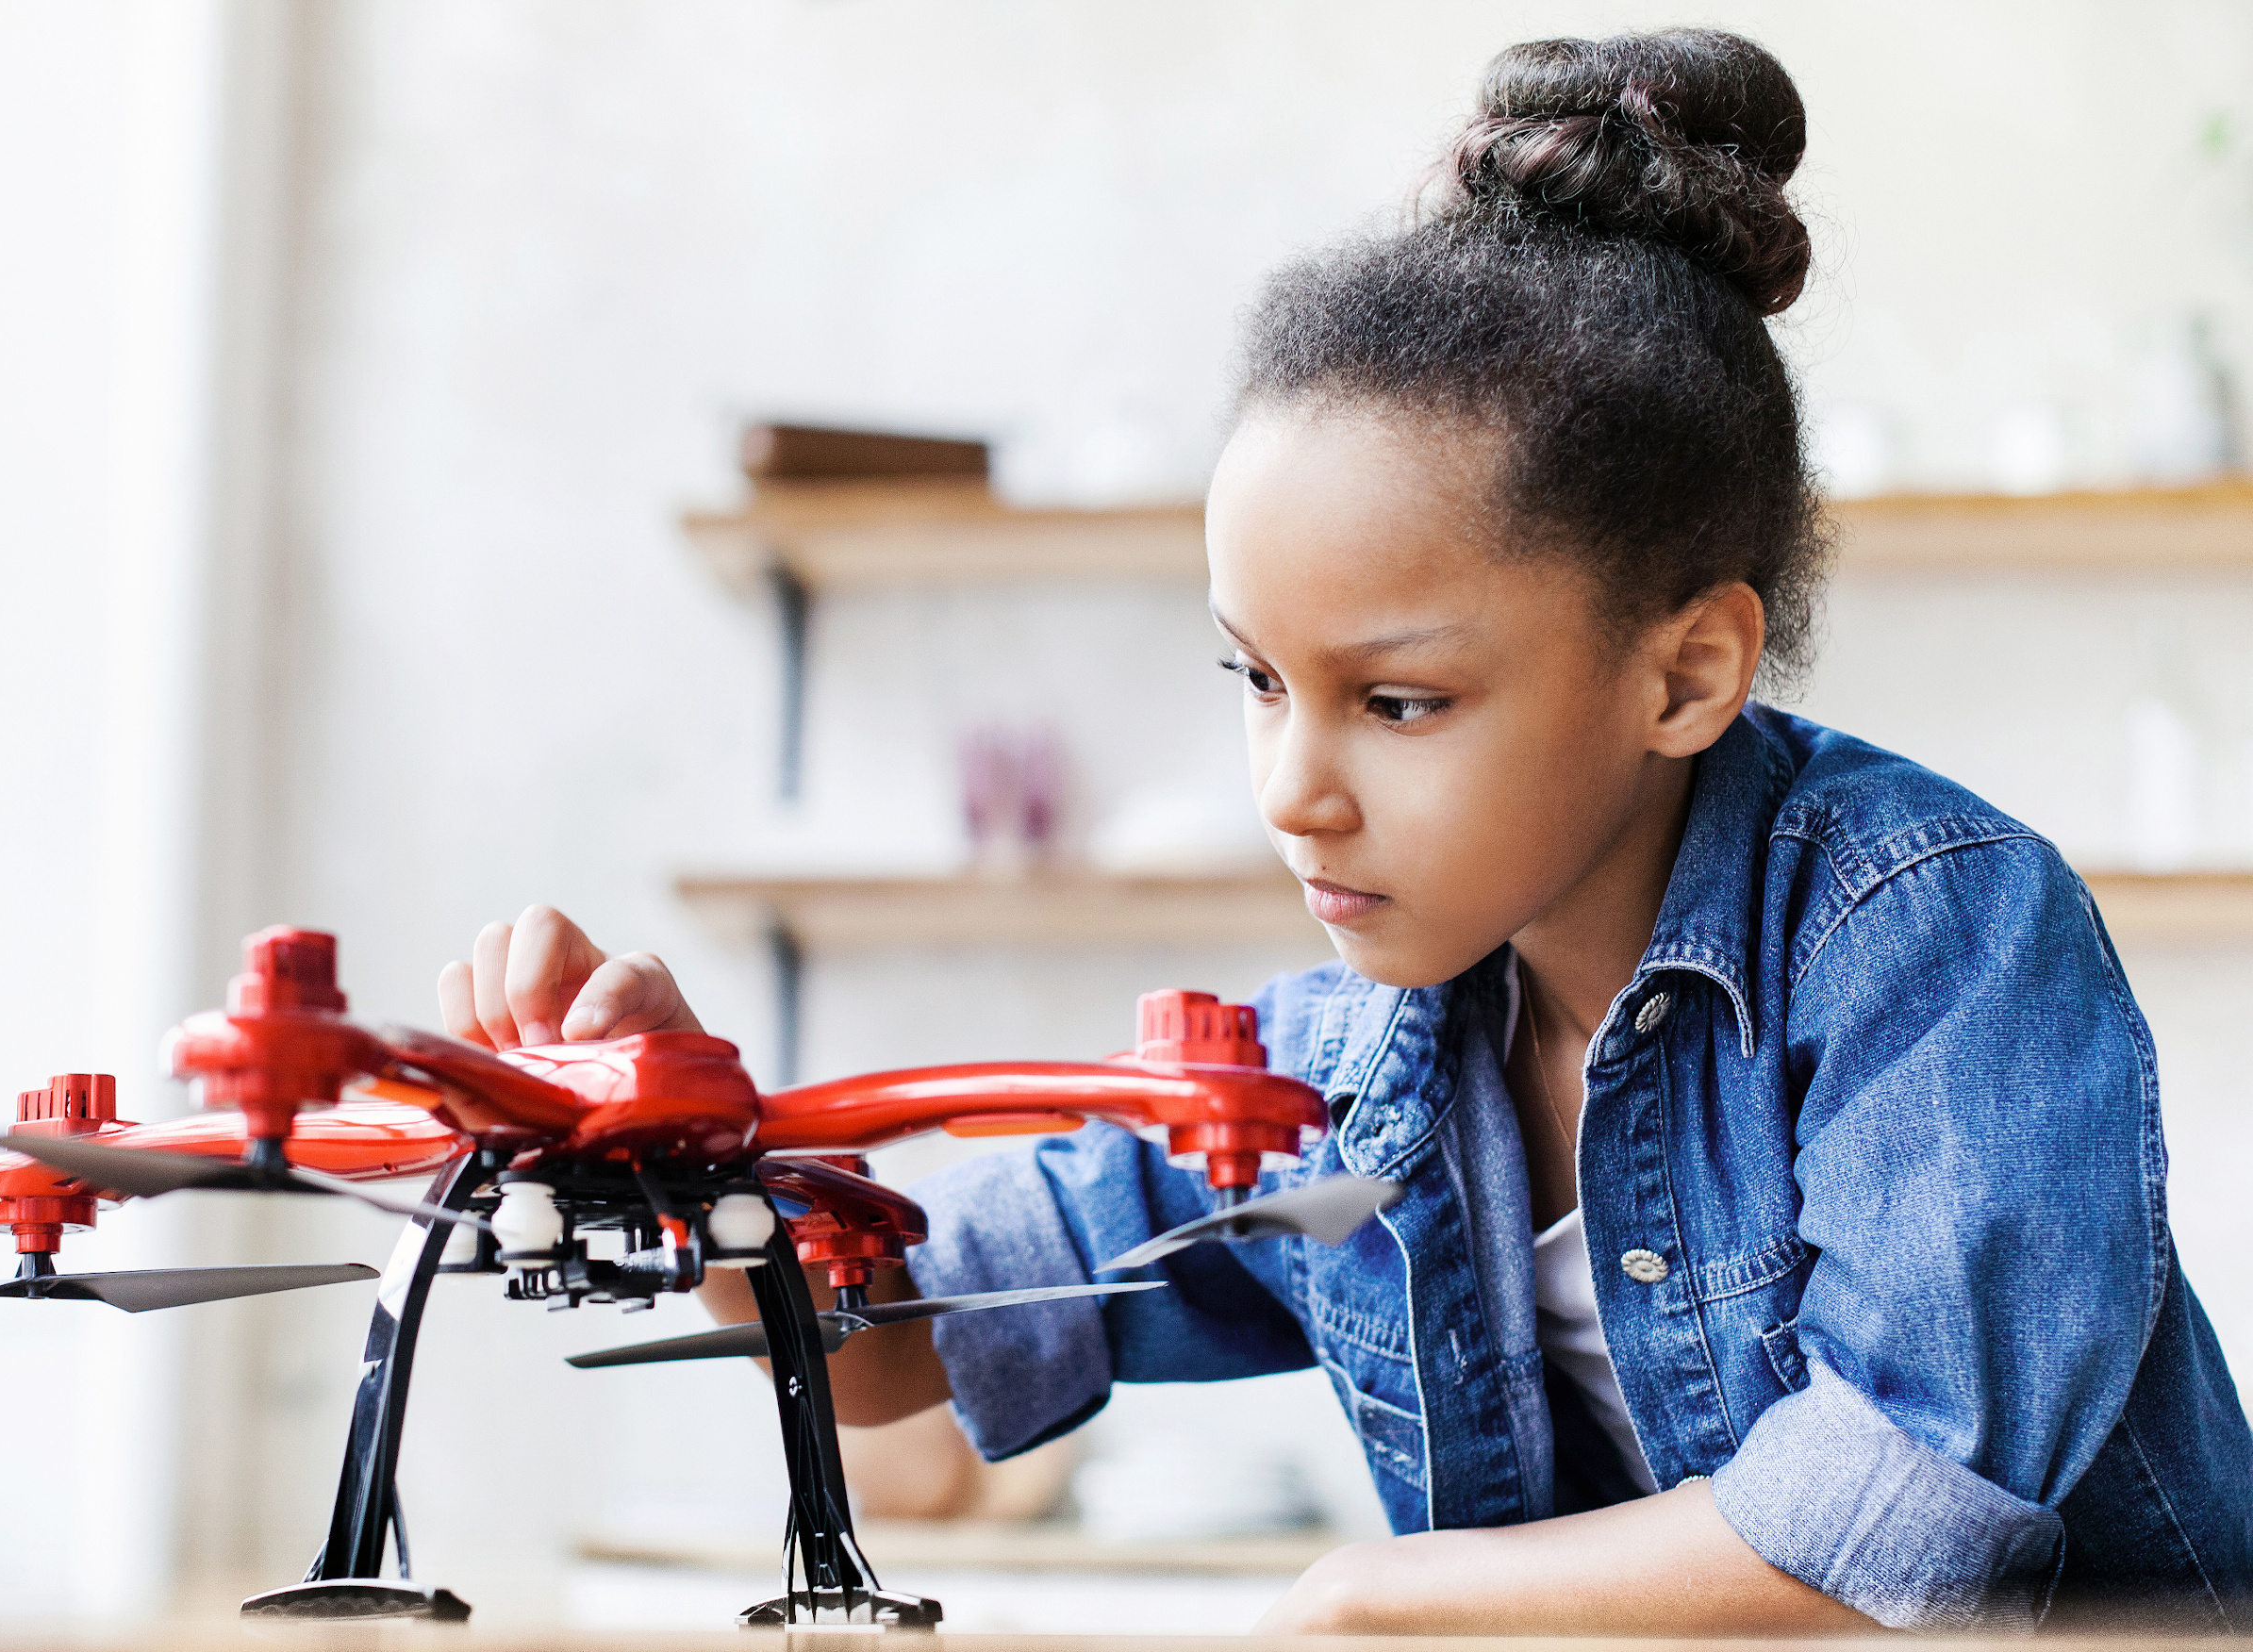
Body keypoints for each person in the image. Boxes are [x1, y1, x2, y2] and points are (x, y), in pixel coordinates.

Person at [440, 27, 2253, 1633]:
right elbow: (899, 1333)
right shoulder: (1347, 1055)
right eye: (1252, 679)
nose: (1292, 786)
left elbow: (1896, 1540)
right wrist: (680, 1157)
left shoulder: (1932, 937)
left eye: (1397, 703)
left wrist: (1384, 1594)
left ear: (1687, 671)